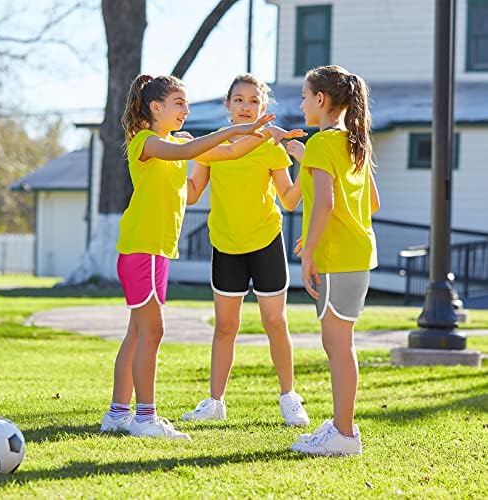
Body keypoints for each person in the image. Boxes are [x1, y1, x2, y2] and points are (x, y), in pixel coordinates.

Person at [100, 74, 302, 439]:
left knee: (137, 332)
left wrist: (258, 134)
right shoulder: (148, 143)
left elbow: (229, 153)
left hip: (156, 249)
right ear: (155, 107)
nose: (186, 111)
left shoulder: (175, 141)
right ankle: (145, 417)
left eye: (187, 104)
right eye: (179, 103)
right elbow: (189, 154)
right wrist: (233, 132)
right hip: (143, 247)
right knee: (152, 331)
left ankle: (117, 412)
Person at [181, 74, 310, 427]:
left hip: (266, 241)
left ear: (262, 107)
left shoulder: (270, 146)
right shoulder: (210, 147)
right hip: (225, 244)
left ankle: (289, 397)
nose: (245, 106)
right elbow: (192, 193)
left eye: (253, 100)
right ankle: (215, 402)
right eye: (239, 99)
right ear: (228, 105)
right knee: (225, 326)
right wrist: (171, 158)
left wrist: (308, 168)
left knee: (274, 321)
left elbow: (288, 198)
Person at [289, 65, 380, 455]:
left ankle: (343, 433)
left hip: (337, 259)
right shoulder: (353, 143)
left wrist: (310, 251)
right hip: (356, 256)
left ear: (321, 100)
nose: (302, 102)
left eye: (305, 96)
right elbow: (371, 202)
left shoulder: (324, 145)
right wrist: (312, 234)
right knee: (341, 343)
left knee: (338, 345)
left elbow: (325, 202)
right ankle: (342, 427)